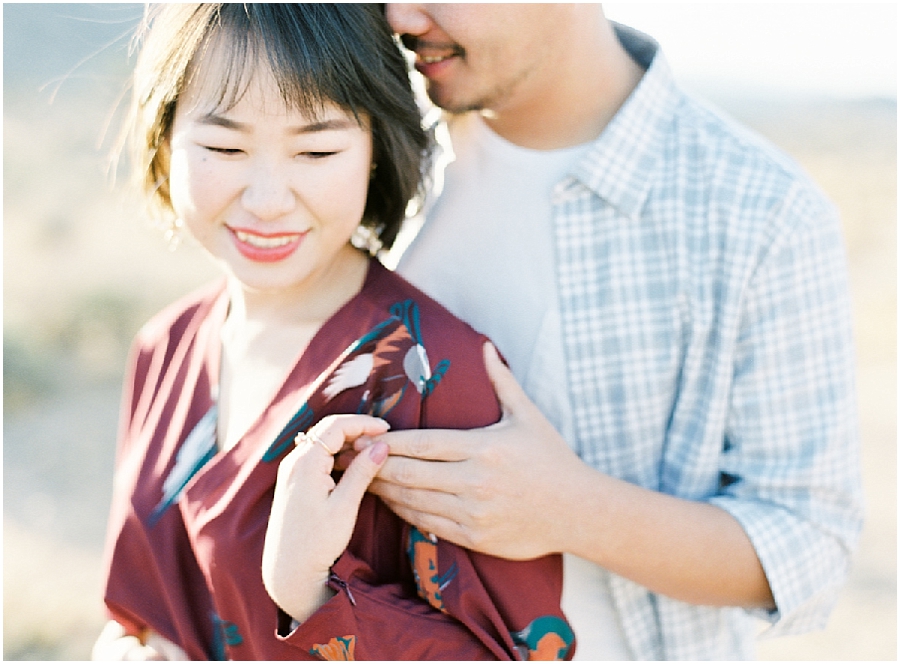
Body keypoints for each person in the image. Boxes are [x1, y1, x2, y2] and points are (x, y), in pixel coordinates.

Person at [367, 4, 865, 660]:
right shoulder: (360, 153)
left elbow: (808, 544)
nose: (399, 15)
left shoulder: (762, 213)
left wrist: (567, 509)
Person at [92, 4, 576, 660]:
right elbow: (139, 604)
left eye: (316, 150)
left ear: (378, 146)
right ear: (166, 137)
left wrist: (312, 595)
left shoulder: (434, 373)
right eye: (223, 147)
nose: (267, 199)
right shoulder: (166, 345)